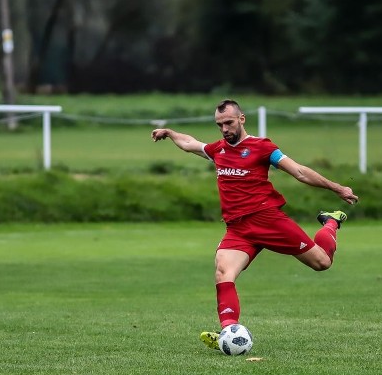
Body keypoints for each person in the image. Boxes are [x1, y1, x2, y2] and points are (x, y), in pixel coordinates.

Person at [152, 99, 359, 349]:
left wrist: (337, 188)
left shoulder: (262, 147)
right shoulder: (219, 150)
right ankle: (229, 330)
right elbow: (190, 144)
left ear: (242, 119)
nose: (225, 129)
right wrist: (170, 132)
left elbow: (300, 172)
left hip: (268, 220)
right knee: (223, 272)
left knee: (322, 263)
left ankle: (331, 221)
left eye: (229, 122)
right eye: (219, 125)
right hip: (238, 229)